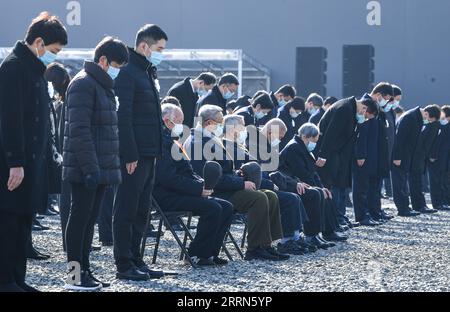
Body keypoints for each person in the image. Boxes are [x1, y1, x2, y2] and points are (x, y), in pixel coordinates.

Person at [0, 12, 67, 292]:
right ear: (38, 42)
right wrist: (15, 161)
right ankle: (5, 280)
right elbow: (10, 119)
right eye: (53, 51)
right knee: (9, 222)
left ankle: (17, 278)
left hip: (31, 161)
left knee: (24, 219)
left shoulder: (32, 68)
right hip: (16, 162)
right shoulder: (14, 67)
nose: (53, 57)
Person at [63, 36, 128, 291]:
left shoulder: (101, 85)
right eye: (116, 65)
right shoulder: (83, 84)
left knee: (88, 221)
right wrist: (91, 168)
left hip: (99, 167)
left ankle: (84, 270)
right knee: (79, 219)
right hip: (86, 168)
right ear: (102, 60)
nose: (117, 72)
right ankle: (74, 276)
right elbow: (79, 131)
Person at [185, 105, 289, 261]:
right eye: (220, 123)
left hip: (227, 187)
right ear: (209, 122)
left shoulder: (211, 139)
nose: (222, 126)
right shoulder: (198, 143)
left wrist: (238, 175)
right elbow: (208, 177)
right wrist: (241, 183)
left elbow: (224, 171)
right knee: (259, 198)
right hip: (217, 192)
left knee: (270, 195)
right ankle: (255, 248)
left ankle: (266, 245)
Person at [112, 24, 168, 281]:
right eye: (159, 48)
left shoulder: (147, 72)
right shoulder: (128, 73)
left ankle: (136, 258)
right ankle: (124, 263)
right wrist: (130, 153)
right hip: (135, 156)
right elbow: (123, 117)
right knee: (126, 208)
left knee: (142, 210)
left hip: (149, 153)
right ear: (144, 46)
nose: (161, 54)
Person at [153, 104, 233, 265]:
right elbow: (168, 178)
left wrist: (202, 184)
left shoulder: (173, 140)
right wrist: (198, 189)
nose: (182, 125)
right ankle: (197, 253)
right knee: (213, 208)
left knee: (226, 207)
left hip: (180, 191)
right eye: (179, 121)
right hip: (166, 195)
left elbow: (187, 171)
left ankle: (210, 252)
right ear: (167, 121)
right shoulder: (160, 143)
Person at [222, 115, 310, 255]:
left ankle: (271, 243)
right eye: (243, 126)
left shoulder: (240, 147)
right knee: (284, 198)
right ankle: (280, 242)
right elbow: (242, 174)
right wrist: (269, 183)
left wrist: (278, 181)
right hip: (237, 190)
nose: (246, 129)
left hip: (252, 184)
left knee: (281, 196)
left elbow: (258, 170)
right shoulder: (228, 147)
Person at [279, 123, 347, 246]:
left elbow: (313, 173)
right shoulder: (294, 147)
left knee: (324, 191)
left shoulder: (302, 147)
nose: (314, 144)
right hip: (291, 183)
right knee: (316, 194)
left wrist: (322, 187)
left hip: (299, 181)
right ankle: (311, 235)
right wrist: (318, 188)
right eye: (313, 140)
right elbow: (301, 172)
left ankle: (326, 231)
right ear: (305, 136)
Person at [315, 95, 368, 227]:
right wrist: (323, 155)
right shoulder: (345, 108)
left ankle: (340, 216)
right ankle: (334, 220)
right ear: (363, 106)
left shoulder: (351, 109)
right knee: (333, 185)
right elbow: (330, 133)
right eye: (365, 111)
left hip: (341, 155)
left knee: (341, 185)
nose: (364, 115)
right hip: (331, 154)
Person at [391, 105, 442, 216]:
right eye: (428, 120)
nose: (427, 122)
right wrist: (397, 157)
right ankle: (403, 208)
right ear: (426, 114)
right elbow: (400, 138)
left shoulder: (414, 116)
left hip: (407, 156)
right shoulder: (410, 117)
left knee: (404, 183)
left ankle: (409, 207)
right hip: (401, 156)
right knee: (401, 183)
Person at [44, 62, 72, 250]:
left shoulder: (56, 102)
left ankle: (67, 239)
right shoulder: (66, 101)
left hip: (57, 153)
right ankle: (68, 241)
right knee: (68, 200)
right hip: (66, 155)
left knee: (66, 199)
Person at [351, 96, 382, 226]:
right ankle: (361, 216)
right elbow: (360, 140)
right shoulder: (361, 119)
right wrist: (360, 156)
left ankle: (365, 214)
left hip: (367, 159)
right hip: (361, 159)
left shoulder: (366, 120)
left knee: (365, 187)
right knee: (360, 189)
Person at [428, 106, 450, 210]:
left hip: (444, 159)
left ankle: (444, 201)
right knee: (435, 181)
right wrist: (433, 155)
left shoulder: (446, 126)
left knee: (443, 181)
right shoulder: (436, 126)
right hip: (436, 158)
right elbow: (434, 143)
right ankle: (437, 203)